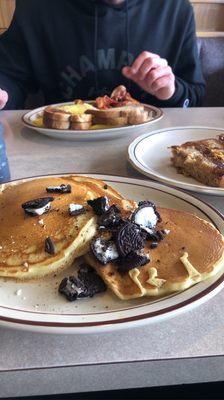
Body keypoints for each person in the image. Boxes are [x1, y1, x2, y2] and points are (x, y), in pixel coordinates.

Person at [0, 0, 205, 110]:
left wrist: (170, 90)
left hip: (153, 148)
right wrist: (4, 93)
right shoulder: (36, 7)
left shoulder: (177, 9)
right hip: (58, 146)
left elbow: (194, 96)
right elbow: (10, 76)